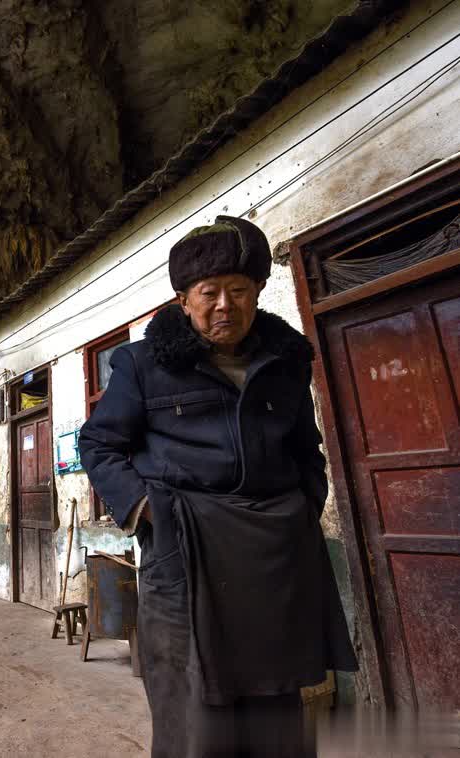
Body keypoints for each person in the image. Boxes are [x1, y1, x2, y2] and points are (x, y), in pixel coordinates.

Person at [79, 216, 356, 757]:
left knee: (275, 710)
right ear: (184, 301)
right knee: (194, 720)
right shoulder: (141, 364)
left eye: (239, 290)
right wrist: (151, 511)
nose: (225, 305)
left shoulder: (285, 363)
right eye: (210, 293)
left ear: (258, 292)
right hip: (184, 556)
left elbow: (307, 451)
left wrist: (301, 511)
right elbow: (100, 445)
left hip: (272, 560)